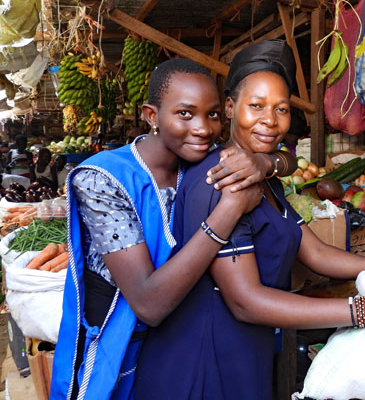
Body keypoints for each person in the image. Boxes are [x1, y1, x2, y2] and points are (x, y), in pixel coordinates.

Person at [134, 40, 365, 400]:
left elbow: (314, 251)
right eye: (256, 106)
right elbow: (244, 301)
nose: (270, 121)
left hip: (247, 351)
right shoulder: (220, 180)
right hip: (203, 362)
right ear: (231, 108)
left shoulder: (262, 175)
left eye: (280, 109)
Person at [50, 58, 296, 400]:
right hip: (117, 348)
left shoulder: (203, 162)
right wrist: (228, 210)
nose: (203, 128)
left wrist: (267, 161)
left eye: (211, 114)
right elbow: (148, 304)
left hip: (176, 349)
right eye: (185, 114)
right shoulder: (103, 180)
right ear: (151, 116)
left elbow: (288, 157)